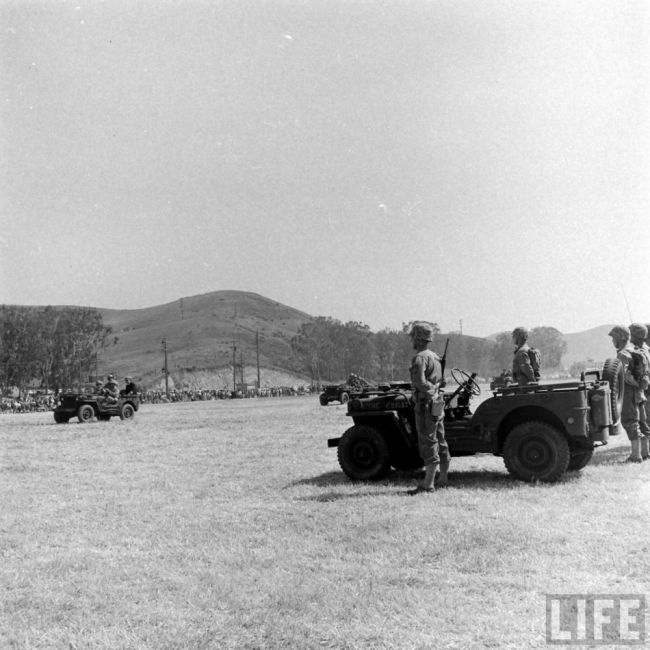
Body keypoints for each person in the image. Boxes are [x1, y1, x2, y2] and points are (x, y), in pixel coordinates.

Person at [407, 321, 450, 494]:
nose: (412, 341)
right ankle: (443, 478)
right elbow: (442, 381)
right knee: (440, 439)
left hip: (425, 404)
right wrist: (435, 392)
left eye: (413, 338)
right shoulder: (435, 357)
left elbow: (419, 381)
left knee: (428, 441)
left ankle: (428, 484)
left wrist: (430, 392)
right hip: (437, 404)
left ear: (418, 338)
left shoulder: (420, 358)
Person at [609, 326, 643, 462]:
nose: (612, 341)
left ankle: (636, 455)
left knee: (629, 421)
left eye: (614, 338)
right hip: (635, 392)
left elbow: (626, 375)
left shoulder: (623, 354)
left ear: (620, 338)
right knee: (636, 421)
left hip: (628, 392)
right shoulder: (633, 349)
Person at [629, 323, 650, 460]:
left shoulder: (634, 352)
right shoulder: (647, 350)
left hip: (641, 390)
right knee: (645, 421)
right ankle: (646, 452)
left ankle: (640, 453)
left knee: (641, 421)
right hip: (646, 388)